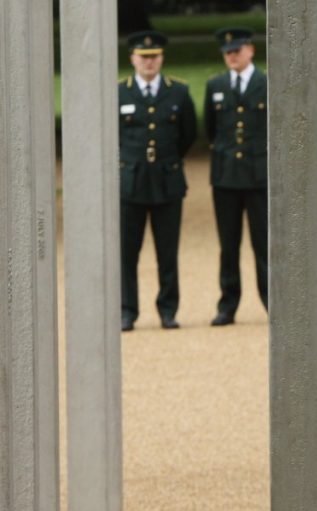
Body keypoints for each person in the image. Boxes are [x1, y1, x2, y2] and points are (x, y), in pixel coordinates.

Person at [119, 30, 197, 331]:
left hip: (167, 181)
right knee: (127, 252)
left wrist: (168, 160)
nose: (149, 63)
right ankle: (127, 310)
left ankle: (168, 309)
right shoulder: (120, 92)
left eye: (154, 57)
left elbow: (188, 134)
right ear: (133, 59)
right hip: (131, 183)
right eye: (143, 57)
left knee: (167, 251)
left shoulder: (178, 91)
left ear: (161, 58)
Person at [204, 27, 269, 326]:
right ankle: (227, 304)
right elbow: (210, 130)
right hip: (226, 177)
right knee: (228, 245)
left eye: (237, 50)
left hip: (258, 177)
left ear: (250, 50)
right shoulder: (215, 85)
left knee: (264, 243)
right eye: (228, 52)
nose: (232, 56)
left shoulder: (266, 83)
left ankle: (273, 301)